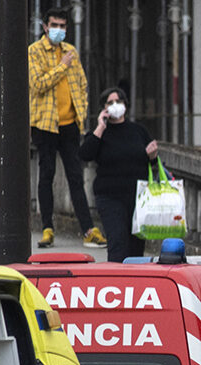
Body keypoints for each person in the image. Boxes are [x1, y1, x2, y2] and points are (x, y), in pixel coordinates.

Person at [28, 8, 104, 249]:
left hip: (69, 124)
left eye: (62, 26)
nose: (58, 30)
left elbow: (82, 84)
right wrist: (61, 66)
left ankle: (88, 230)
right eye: (54, 25)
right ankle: (47, 228)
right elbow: (38, 84)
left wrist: (80, 113)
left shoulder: (71, 51)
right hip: (44, 124)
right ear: (44, 26)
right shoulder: (35, 52)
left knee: (75, 177)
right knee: (46, 174)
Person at [77, 87, 161, 264]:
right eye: (110, 102)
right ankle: (116, 281)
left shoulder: (138, 131)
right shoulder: (101, 133)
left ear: (125, 104)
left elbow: (152, 162)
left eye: (118, 101)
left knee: (136, 246)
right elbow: (85, 154)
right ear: (104, 107)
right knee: (117, 242)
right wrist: (101, 126)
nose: (115, 105)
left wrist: (152, 156)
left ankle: (136, 284)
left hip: (138, 197)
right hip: (110, 196)